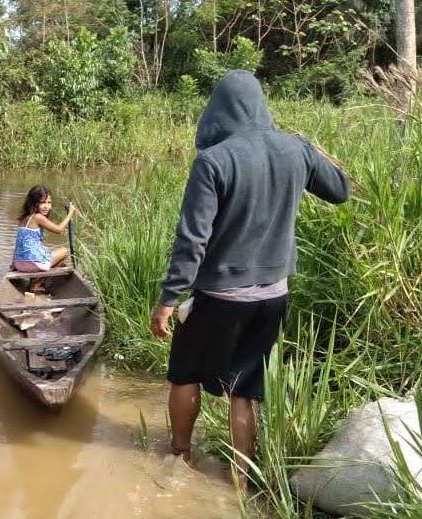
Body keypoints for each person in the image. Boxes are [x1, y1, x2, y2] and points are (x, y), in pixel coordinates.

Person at [149, 70, 350, 491]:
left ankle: (180, 456)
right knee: (245, 389)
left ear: (218, 111)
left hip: (220, 294)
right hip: (273, 295)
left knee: (184, 374)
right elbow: (340, 190)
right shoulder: (296, 150)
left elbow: (193, 238)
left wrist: (168, 299)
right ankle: (240, 479)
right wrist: (310, 149)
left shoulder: (214, 160)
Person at [12, 185, 76, 291]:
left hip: (19, 264)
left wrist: (13, 263)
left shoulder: (23, 218)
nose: (46, 206)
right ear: (34, 203)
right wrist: (70, 213)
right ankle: (36, 284)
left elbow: (18, 244)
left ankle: (35, 280)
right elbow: (59, 230)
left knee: (45, 250)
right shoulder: (38, 217)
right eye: (42, 203)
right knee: (64, 251)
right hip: (33, 263)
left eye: (49, 203)